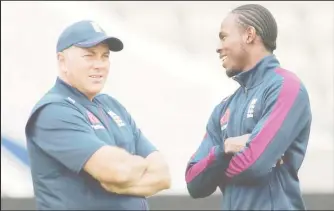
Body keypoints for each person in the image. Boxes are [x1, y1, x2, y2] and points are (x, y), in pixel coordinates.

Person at [25, 20, 171, 210]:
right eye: (89, 56)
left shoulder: (112, 106)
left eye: (105, 56)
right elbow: (116, 171)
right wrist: (140, 167)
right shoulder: (53, 110)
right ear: (62, 61)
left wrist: (119, 186)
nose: (99, 65)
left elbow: (163, 176)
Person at [185, 4, 312, 210]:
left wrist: (216, 172)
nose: (218, 47)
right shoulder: (223, 108)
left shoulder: (286, 87)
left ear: (249, 35)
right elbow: (194, 182)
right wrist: (224, 150)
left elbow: (255, 165)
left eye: (224, 36)